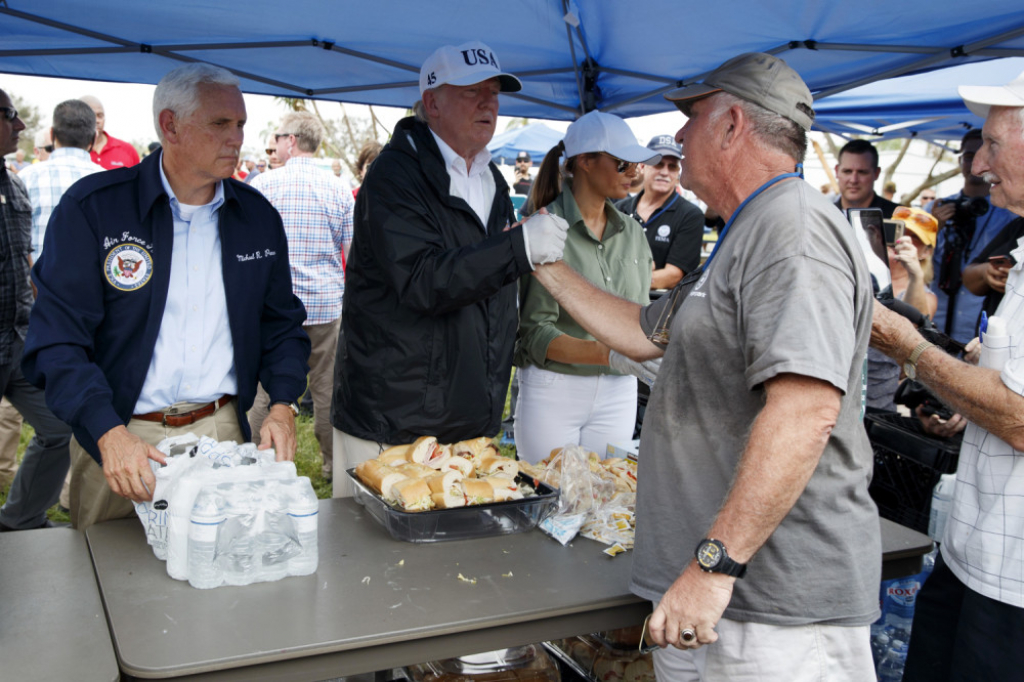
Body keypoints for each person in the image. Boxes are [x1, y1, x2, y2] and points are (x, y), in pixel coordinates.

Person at [529, 53, 879, 680]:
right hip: (719, 598)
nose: (680, 138)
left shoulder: (791, 231)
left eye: (692, 118)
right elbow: (643, 332)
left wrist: (715, 566)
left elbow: (806, 412)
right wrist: (549, 266)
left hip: (769, 604)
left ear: (732, 125)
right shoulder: (749, 230)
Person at [22, 64, 310, 531]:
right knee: (107, 586)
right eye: (220, 123)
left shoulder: (256, 215)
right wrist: (106, 431)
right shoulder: (95, 208)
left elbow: (281, 325)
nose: (236, 138)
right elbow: (57, 341)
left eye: (240, 124)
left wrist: (282, 404)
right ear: (170, 125)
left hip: (220, 430)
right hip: (120, 434)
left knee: (217, 579)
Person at [330, 41, 568, 496]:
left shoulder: (490, 178)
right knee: (380, 560)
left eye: (495, 91)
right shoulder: (395, 176)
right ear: (432, 102)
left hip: (468, 416)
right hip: (396, 419)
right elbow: (423, 281)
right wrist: (516, 247)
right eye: (471, 91)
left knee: (461, 559)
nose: (489, 102)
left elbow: (487, 287)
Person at [870, 70, 1024, 681]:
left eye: (992, 142)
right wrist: (967, 388)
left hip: (1010, 581)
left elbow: (1019, 417)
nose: (978, 162)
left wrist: (909, 347)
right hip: (975, 554)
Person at [513, 111, 655, 464]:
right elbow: (534, 334)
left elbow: (639, 316)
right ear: (585, 162)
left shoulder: (633, 232)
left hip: (620, 389)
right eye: (623, 163)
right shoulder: (542, 228)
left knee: (605, 504)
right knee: (549, 506)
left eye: (636, 163)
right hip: (555, 387)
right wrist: (611, 354)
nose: (636, 171)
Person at [249, 111, 354, 482]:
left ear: (291, 141)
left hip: (274, 309)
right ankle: (331, 465)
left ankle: (261, 462)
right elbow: (352, 252)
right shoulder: (339, 188)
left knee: (265, 389)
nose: (275, 144)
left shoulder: (264, 185)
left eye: (278, 137)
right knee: (327, 390)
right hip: (325, 305)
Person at [0, 90, 73, 531]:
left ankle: (19, 521)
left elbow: (23, 257)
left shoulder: (13, 181)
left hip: (19, 341)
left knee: (60, 426)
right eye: (10, 116)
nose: (21, 126)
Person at [930, 128, 1018, 344]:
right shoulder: (935, 208)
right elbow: (912, 267)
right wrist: (932, 230)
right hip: (934, 320)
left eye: (986, 153)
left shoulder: (1009, 215)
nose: (976, 163)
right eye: (969, 156)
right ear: (960, 161)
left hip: (977, 327)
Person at [16, 99, 103, 259]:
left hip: (33, 281)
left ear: (52, 134)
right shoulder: (108, 183)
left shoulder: (25, 178)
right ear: (94, 138)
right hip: (90, 282)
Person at [616, 135, 704, 290]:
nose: (665, 172)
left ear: (678, 173)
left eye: (672, 167)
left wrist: (620, 279)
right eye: (658, 164)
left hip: (659, 308)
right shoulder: (620, 209)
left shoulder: (690, 215)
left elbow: (673, 276)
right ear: (642, 167)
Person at [834, 139, 899, 218]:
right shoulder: (823, 215)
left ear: (876, 173)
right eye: (847, 171)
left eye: (862, 172)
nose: (853, 180)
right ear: (837, 171)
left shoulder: (898, 218)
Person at [80, 95, 140, 170]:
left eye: (100, 116)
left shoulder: (127, 150)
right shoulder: (74, 151)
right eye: (91, 115)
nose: (97, 121)